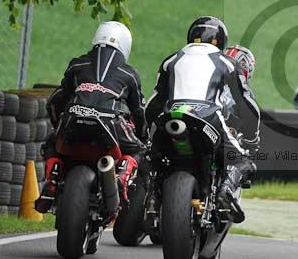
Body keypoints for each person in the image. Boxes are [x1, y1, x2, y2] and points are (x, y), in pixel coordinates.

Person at [145, 17, 259, 219]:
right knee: (244, 160)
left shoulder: (170, 60)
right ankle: (225, 190)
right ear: (222, 40)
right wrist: (251, 139)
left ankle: (152, 194)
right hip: (207, 117)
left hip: (170, 116)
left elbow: (154, 103)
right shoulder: (227, 63)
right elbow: (248, 105)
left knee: (148, 155)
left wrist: (146, 132)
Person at [34, 21, 147, 213]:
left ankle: (52, 180)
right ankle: (122, 178)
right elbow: (138, 111)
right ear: (125, 45)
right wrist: (143, 137)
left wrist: (57, 126)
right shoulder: (130, 74)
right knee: (138, 151)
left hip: (74, 119)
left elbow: (57, 99)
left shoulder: (77, 64)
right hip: (110, 123)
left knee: (51, 144)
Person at [222, 44, 260, 187]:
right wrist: (251, 142)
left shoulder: (208, 76)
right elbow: (250, 115)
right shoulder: (245, 91)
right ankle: (227, 189)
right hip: (221, 129)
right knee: (245, 161)